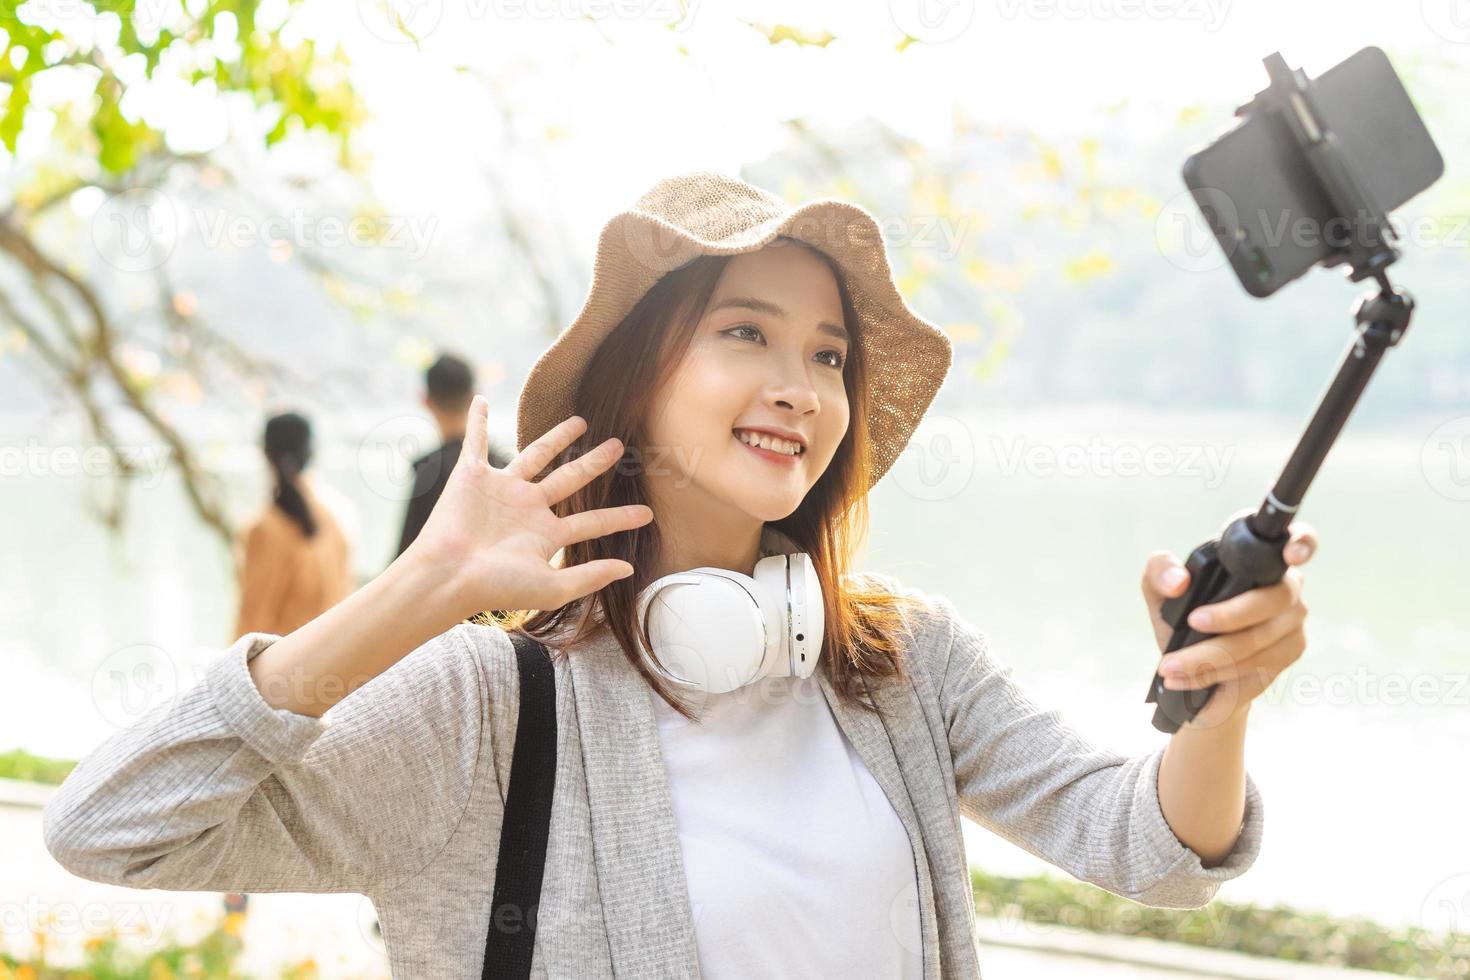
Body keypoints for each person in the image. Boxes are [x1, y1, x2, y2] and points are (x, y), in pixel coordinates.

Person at [43, 172, 1319, 979]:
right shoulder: (487, 707)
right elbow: (110, 827)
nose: (798, 384)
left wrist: (1220, 695)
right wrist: (422, 590)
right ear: (635, 381)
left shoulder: (903, 660)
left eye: (828, 356)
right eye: (744, 333)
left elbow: (1152, 847)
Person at [233, 411, 354, 640]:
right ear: (312, 452)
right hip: (337, 657)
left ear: (265, 453)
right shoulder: (340, 514)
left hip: (287, 667)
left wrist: (226, 673)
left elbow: (252, 621)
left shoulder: (265, 527)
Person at [395, 352, 514, 558]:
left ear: (426, 400)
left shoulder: (429, 472)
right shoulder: (506, 466)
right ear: (473, 397)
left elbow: (406, 556)